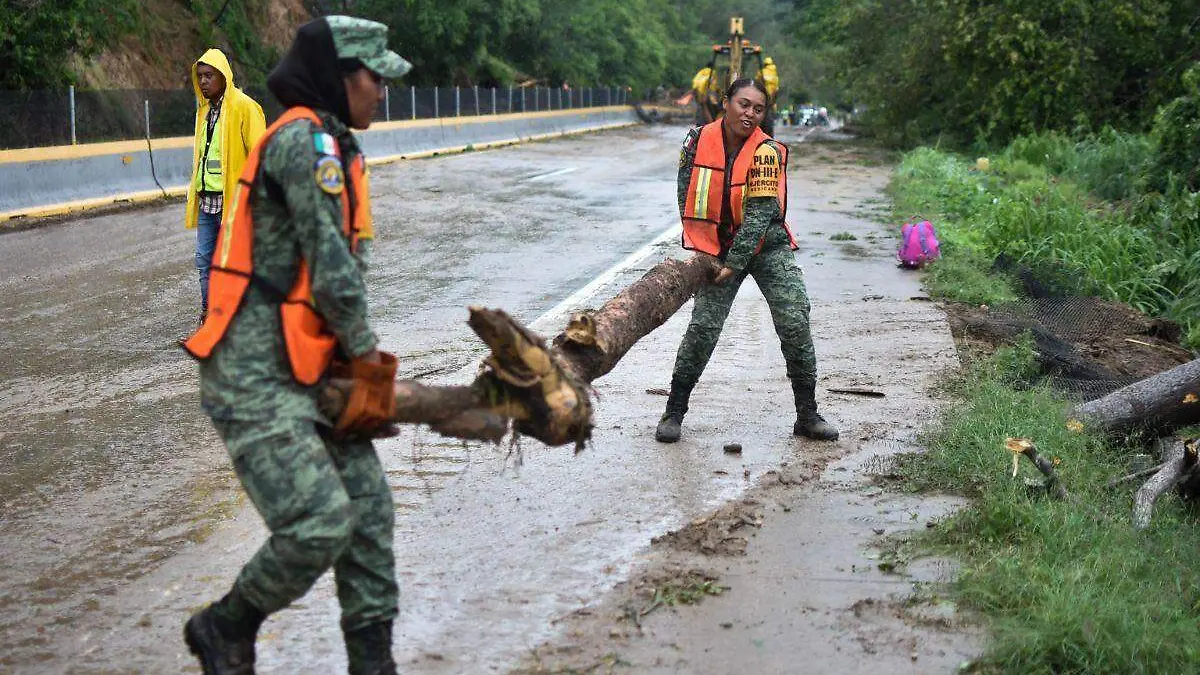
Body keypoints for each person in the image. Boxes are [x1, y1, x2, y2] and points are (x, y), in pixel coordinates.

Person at [180, 15, 412, 674]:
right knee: (320, 520)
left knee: (368, 514)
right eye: (374, 79)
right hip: (253, 378)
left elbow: (328, 281)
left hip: (306, 371)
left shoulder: (333, 143)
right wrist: (369, 362)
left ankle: (376, 665)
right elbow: (334, 268)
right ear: (340, 79)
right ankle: (225, 624)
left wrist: (349, 364)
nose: (382, 92)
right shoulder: (304, 145)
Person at [656, 78, 838, 444]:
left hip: (766, 248)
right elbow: (684, 193)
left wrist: (734, 264)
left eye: (758, 109)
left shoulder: (766, 151)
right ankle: (673, 412)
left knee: (794, 320)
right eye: (743, 104)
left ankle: (807, 414)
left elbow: (757, 218)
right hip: (717, 250)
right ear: (725, 102)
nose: (750, 114)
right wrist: (702, 247)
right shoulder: (695, 141)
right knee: (703, 329)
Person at [186, 49, 266, 325]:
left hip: (234, 200)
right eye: (200, 77)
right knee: (205, 260)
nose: (204, 81)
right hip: (207, 199)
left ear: (224, 77)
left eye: (209, 76)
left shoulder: (245, 107)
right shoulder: (204, 112)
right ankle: (210, 317)